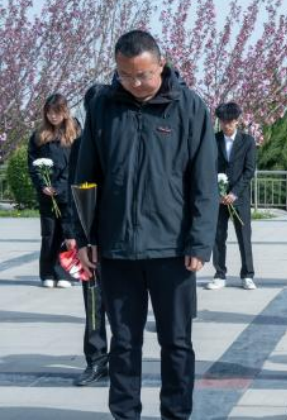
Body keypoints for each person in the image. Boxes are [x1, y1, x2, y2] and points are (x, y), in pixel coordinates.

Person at [75, 30, 217, 419]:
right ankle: (125, 414)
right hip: (117, 249)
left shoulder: (189, 107)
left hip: (173, 249)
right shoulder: (103, 107)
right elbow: (86, 176)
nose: (135, 83)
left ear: (161, 65)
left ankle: (176, 413)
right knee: (123, 343)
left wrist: (199, 242)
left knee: (177, 342)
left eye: (143, 74)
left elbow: (204, 182)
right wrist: (85, 237)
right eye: (125, 75)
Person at [64, 84, 110, 386]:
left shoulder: (122, 139)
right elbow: (74, 191)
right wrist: (74, 235)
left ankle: (124, 360)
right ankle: (96, 359)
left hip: (121, 237)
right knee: (93, 301)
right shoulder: (80, 146)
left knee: (123, 306)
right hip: (89, 238)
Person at [28, 93, 80, 289]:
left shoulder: (75, 132)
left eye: (56, 112)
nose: (53, 116)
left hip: (68, 192)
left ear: (65, 111)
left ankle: (65, 273)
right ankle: (48, 273)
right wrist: (43, 185)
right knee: (49, 234)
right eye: (49, 112)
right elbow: (33, 163)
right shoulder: (39, 135)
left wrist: (60, 186)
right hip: (47, 194)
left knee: (69, 234)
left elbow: (77, 162)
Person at [206, 101, 257, 291]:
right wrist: (218, 192)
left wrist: (234, 193)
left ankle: (247, 275)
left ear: (237, 121)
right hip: (218, 198)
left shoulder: (248, 141)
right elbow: (208, 168)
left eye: (230, 121)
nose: (226, 125)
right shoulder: (213, 140)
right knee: (218, 237)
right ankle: (220, 274)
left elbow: (249, 170)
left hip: (240, 198)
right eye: (222, 121)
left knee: (244, 237)